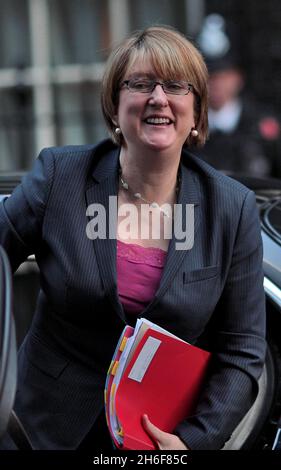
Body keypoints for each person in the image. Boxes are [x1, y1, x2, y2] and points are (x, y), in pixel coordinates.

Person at [0, 25, 266, 451]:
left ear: (197, 112)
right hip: (37, 430)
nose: (158, 98)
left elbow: (243, 351)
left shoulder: (231, 209)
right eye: (141, 84)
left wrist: (191, 442)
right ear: (115, 105)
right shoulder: (60, 177)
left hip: (155, 442)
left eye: (176, 86)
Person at [196, 14, 281, 177]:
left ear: (238, 77)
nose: (215, 83)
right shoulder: (187, 128)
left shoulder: (263, 126)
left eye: (224, 74)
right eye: (208, 75)